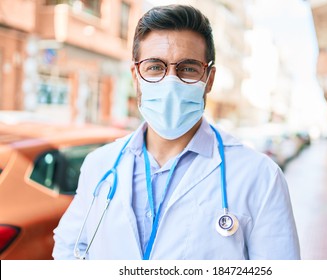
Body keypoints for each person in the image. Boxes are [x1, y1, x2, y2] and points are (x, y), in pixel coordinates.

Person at [52, 4, 300, 260]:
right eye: (155, 67)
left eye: (188, 68)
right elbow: (69, 249)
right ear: (136, 76)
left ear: (209, 79)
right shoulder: (99, 165)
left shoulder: (260, 177)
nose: (170, 81)